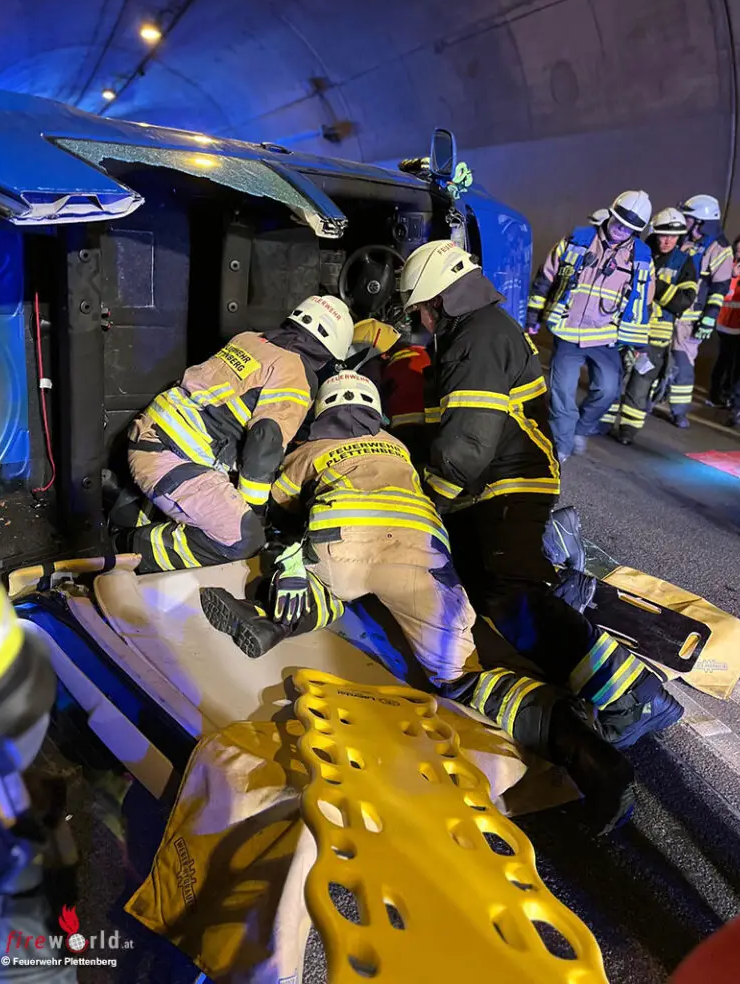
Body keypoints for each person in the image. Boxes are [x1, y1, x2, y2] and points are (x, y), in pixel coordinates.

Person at [201, 370, 638, 833]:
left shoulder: (312, 448)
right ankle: (589, 755)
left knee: (310, 576)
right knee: (462, 676)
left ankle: (271, 618)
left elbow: (277, 505)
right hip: (421, 554)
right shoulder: (398, 448)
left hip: (341, 546)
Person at [398, 239, 680, 751]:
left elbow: (467, 443)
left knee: (512, 596)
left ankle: (634, 698)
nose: (420, 319)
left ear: (438, 298)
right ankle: (565, 604)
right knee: (489, 585)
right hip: (504, 480)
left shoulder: (477, 339)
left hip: (509, 481)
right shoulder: (479, 330)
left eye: (419, 307)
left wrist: (428, 503)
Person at [120, 295, 354, 572]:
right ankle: (127, 547)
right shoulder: (296, 372)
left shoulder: (250, 339)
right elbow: (265, 442)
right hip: (173, 458)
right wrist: (256, 513)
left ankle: (129, 516)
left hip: (154, 434)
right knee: (244, 539)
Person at [527, 191, 655, 460]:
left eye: (629, 229)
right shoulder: (577, 241)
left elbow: (643, 304)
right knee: (562, 394)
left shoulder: (641, 259)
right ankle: (561, 446)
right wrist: (533, 316)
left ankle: (582, 428)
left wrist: (637, 343)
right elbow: (546, 277)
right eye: (619, 223)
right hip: (567, 331)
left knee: (608, 391)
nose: (622, 231)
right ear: (611, 214)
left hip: (605, 337)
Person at [603, 209, 698, 444]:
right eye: (663, 235)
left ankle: (628, 429)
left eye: (673, 237)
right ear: (655, 233)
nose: (667, 241)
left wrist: (653, 285)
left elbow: (684, 301)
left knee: (641, 382)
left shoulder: (684, 262)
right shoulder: (638, 251)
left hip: (656, 336)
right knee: (612, 375)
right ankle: (603, 420)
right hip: (624, 328)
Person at [672, 195, 734, 427]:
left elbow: (720, 287)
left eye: (688, 217)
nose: (684, 220)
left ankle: (679, 411)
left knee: (682, 363)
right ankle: (643, 401)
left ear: (700, 221)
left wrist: (709, 317)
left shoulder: (719, 248)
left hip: (690, 318)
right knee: (653, 358)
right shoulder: (681, 239)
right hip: (666, 311)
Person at [708, 234, 740, 407]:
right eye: (738, 249)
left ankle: (730, 394)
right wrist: (732, 276)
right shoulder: (729, 267)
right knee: (724, 359)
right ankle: (715, 393)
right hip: (726, 323)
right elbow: (723, 292)